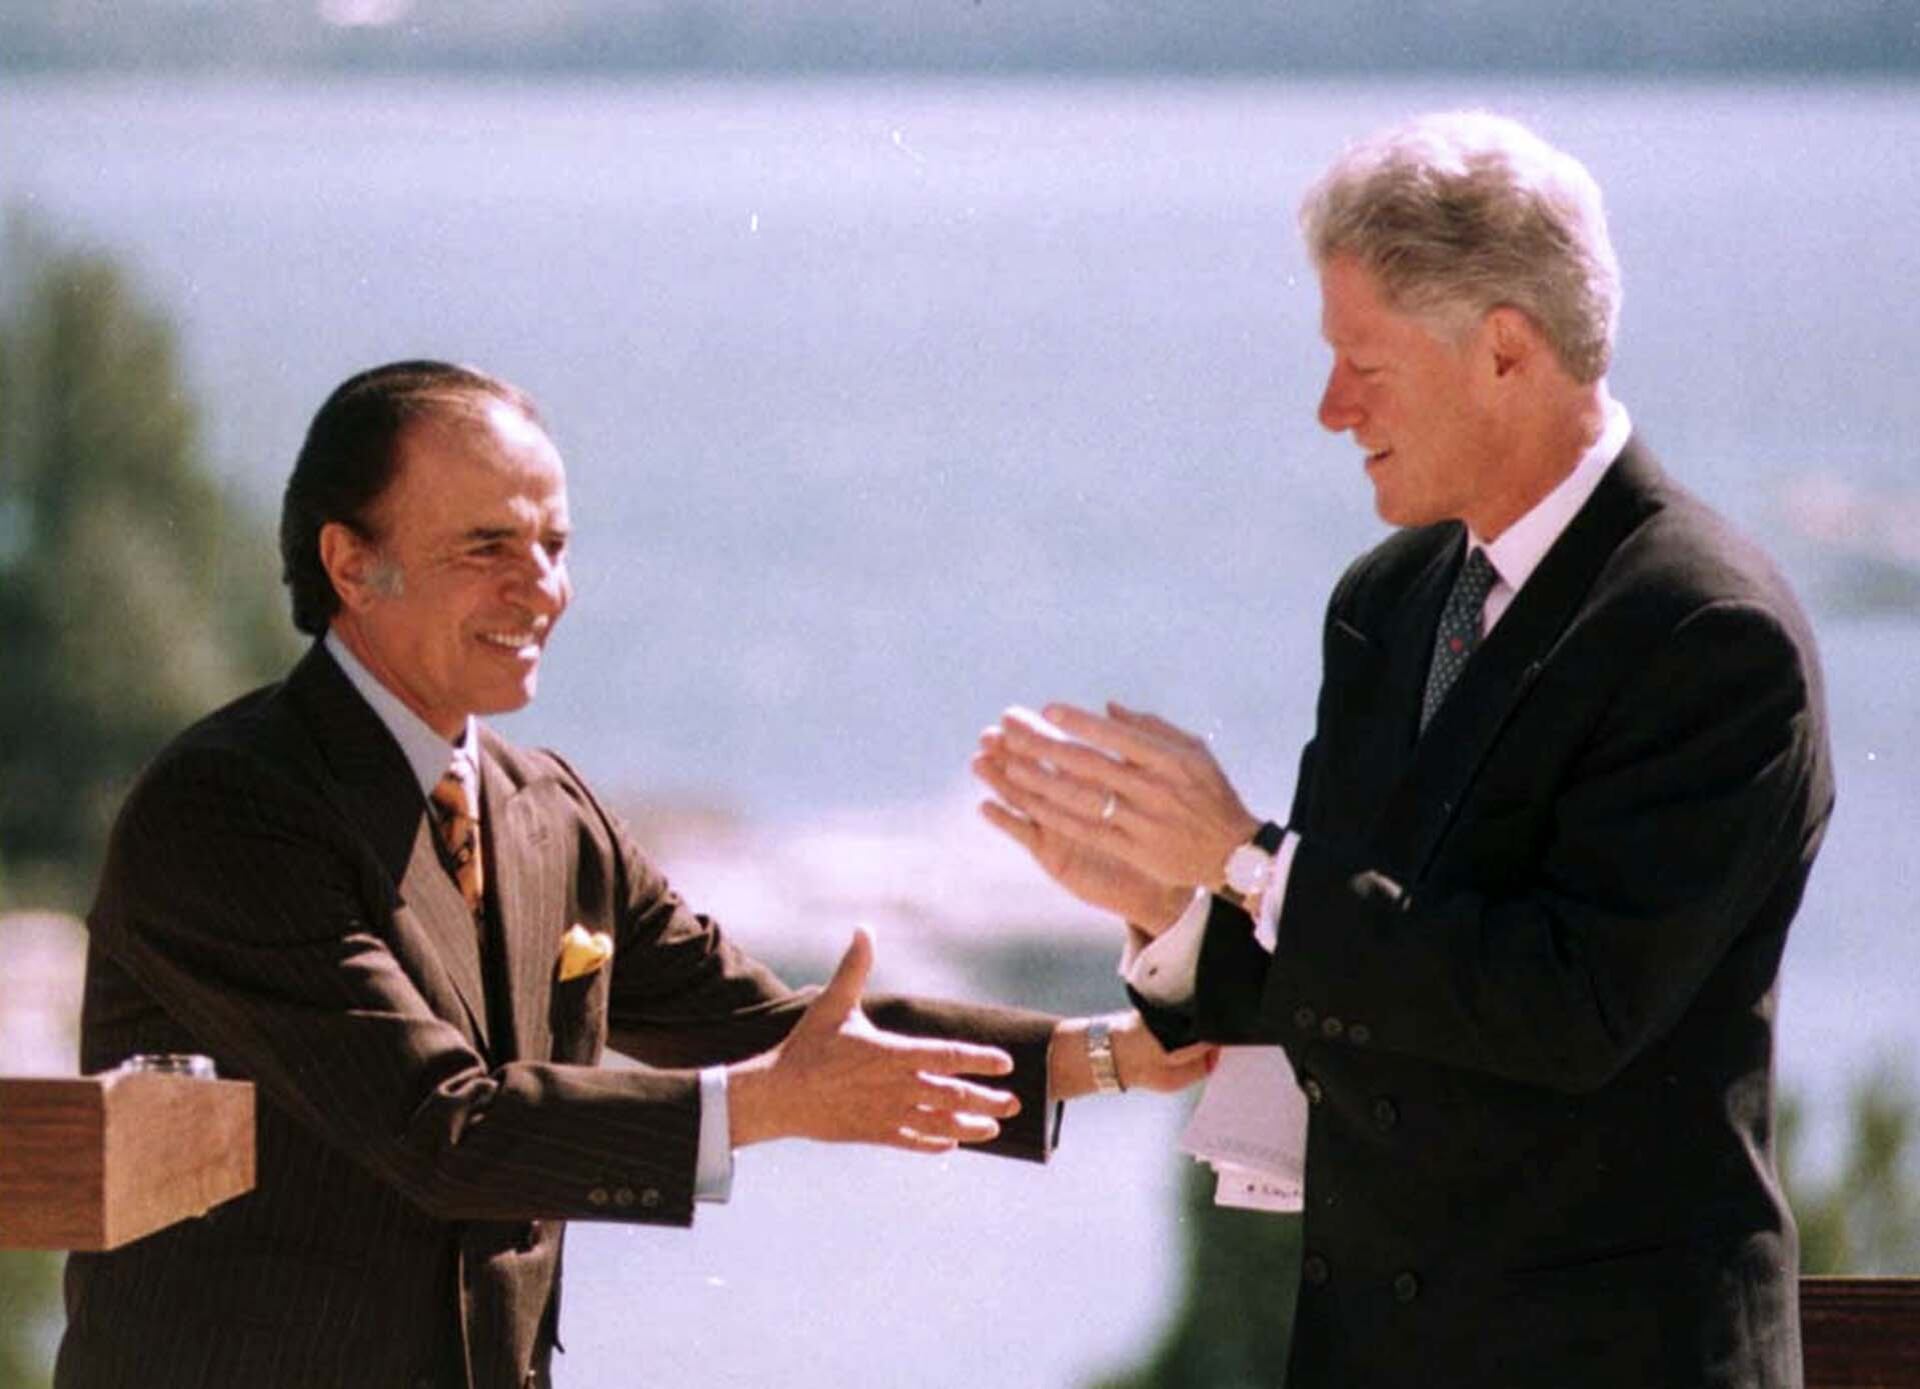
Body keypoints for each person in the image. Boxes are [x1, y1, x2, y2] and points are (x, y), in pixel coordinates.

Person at [57, 361, 1210, 1389]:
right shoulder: (230, 809)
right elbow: (440, 1128)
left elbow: (770, 1023)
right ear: (352, 564)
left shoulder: (546, 810)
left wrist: (1100, 1056)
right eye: (488, 548)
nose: (541, 588)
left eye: (554, 546)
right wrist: (762, 1108)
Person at [975, 111, 1834, 1387]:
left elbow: (1566, 1009)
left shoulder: (1708, 631)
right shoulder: (1386, 601)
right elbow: (1345, 979)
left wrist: (1250, 862)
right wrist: (1171, 907)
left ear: (1504, 349)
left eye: (1362, 363)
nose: (1330, 410)